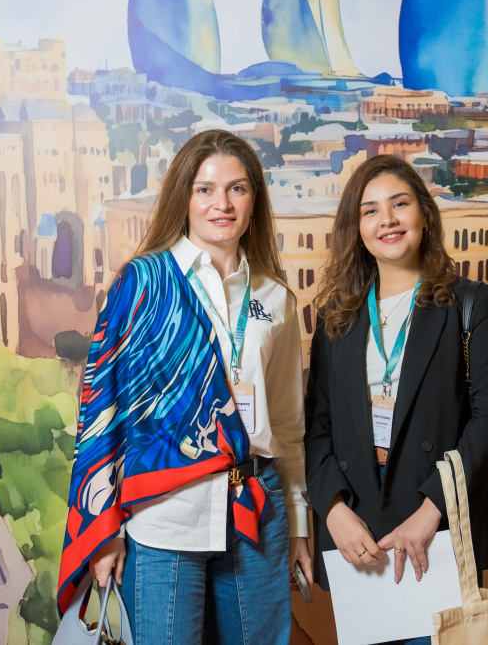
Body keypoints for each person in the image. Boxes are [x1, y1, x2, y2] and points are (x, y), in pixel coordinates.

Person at [57, 129, 312, 644]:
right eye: (205, 189)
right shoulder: (143, 283)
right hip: (165, 515)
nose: (223, 204)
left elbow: (287, 425)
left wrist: (299, 524)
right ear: (185, 198)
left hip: (258, 510)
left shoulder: (276, 298)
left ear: (254, 199)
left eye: (237, 189)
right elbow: (104, 411)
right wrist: (103, 529)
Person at [304, 155, 488, 644]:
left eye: (399, 204)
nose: (387, 220)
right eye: (370, 210)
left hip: (436, 519)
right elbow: (317, 428)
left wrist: (431, 511)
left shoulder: (470, 303)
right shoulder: (336, 317)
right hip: (357, 525)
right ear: (356, 228)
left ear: (423, 213)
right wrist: (333, 511)